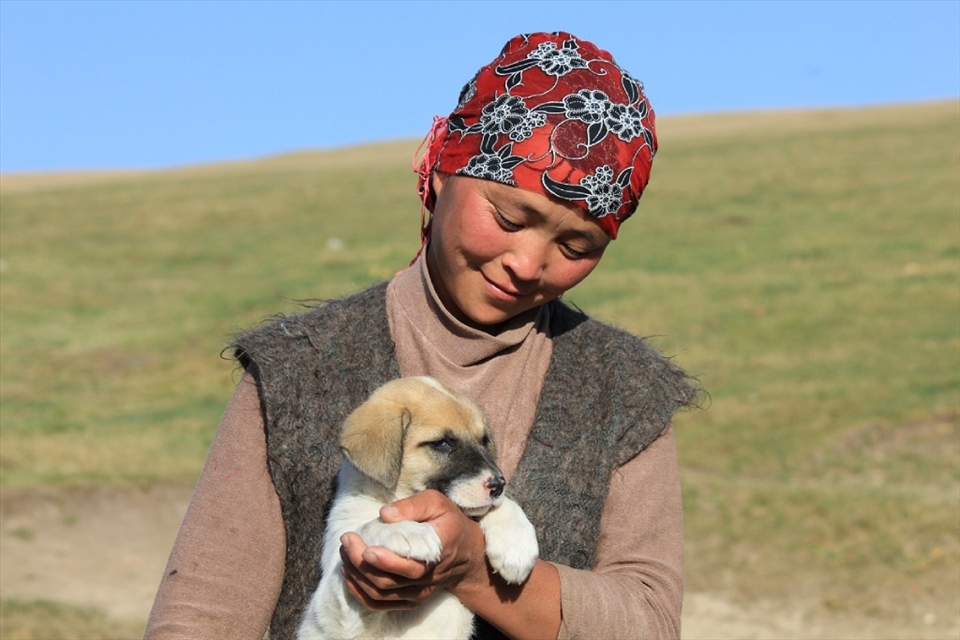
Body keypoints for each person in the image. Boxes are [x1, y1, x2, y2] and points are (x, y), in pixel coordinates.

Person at [145, 31, 698, 640]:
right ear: (438, 168)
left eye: (576, 246)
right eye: (508, 217)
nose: (527, 263)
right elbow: (200, 617)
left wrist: (469, 570)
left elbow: (647, 622)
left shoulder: (622, 388)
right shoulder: (296, 369)